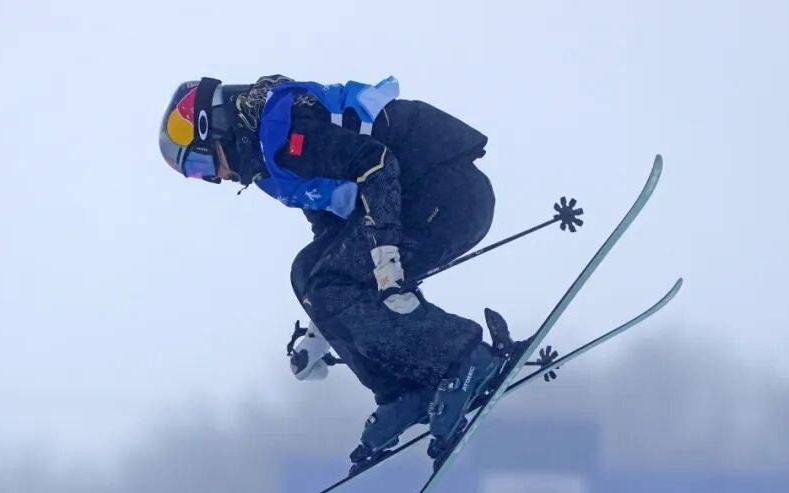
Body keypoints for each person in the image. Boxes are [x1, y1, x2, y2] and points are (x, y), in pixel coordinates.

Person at [159, 76, 526, 469]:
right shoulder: (271, 158)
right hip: (421, 204)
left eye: (201, 165)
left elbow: (377, 164)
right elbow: (332, 238)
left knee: (326, 281)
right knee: (307, 273)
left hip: (448, 197)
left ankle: (466, 357)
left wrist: (385, 258)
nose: (215, 178)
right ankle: (404, 390)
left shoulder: (289, 130)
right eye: (197, 175)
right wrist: (321, 330)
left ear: (216, 130)